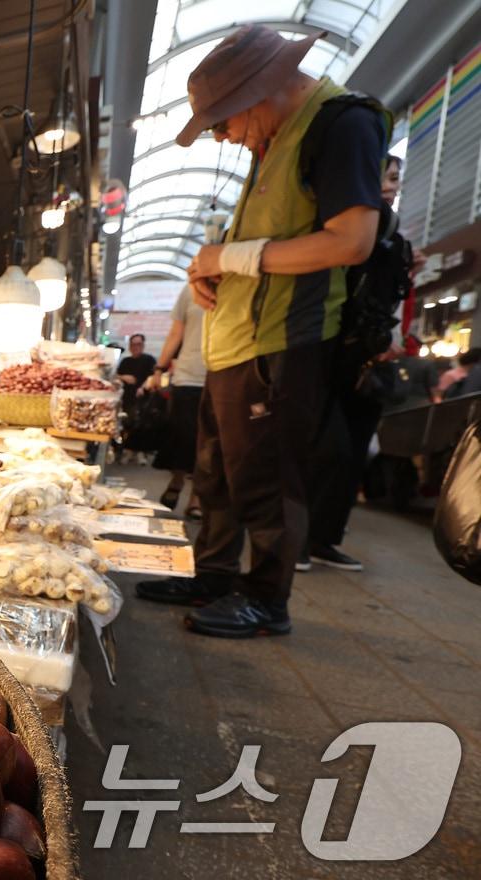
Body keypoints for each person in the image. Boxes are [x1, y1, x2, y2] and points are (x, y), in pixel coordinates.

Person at [135, 25, 387, 639]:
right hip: (232, 342)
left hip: (283, 344)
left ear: (261, 91)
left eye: (223, 123)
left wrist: (235, 259)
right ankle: (216, 573)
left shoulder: (338, 124)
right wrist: (210, 269)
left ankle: (267, 597)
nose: (225, 138)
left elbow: (352, 240)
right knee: (217, 474)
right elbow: (264, 239)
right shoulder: (270, 143)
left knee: (271, 478)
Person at [302, 154, 415, 572]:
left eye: (397, 178)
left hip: (370, 357)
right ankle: (301, 537)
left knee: (351, 455)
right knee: (328, 448)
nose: (393, 184)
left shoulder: (392, 235)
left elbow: (392, 297)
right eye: (387, 175)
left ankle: (324, 538)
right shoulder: (347, 221)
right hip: (334, 351)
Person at [144, 283, 205, 517]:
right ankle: (177, 480)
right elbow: (176, 333)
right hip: (188, 376)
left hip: (222, 376)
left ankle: (196, 498)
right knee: (183, 437)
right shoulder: (191, 290)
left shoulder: (241, 285)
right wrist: (159, 368)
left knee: (208, 444)